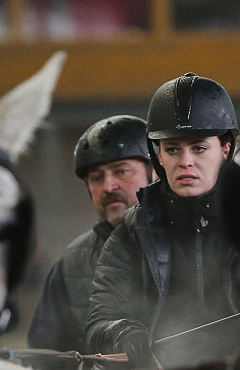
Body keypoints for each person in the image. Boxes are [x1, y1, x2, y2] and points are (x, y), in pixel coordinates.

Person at [85, 73, 240, 370]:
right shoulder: (132, 230)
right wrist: (124, 332)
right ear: (157, 154)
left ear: (225, 148)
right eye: (172, 149)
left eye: (199, 148)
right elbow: (102, 314)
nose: (185, 161)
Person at [28, 115, 153, 352]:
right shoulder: (72, 262)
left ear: (155, 172)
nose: (108, 186)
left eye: (121, 171)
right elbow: (46, 360)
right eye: (96, 178)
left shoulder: (191, 239)